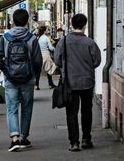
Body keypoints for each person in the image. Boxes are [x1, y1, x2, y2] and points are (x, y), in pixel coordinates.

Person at [0, 9, 42, 152]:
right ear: (27, 21)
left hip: (11, 79)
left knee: (12, 108)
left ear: (13, 21)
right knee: (27, 108)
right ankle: (24, 137)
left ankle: (14, 138)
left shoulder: (6, 37)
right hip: (28, 79)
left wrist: (7, 72)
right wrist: (34, 75)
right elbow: (37, 61)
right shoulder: (32, 38)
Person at [54, 13, 101, 151]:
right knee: (87, 110)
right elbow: (97, 61)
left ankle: (74, 142)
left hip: (70, 83)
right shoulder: (90, 43)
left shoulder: (63, 41)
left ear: (71, 24)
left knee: (71, 112)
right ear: (85, 26)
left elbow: (57, 60)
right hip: (87, 81)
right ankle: (86, 139)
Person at [35, 26, 56, 90]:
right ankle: (50, 84)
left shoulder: (38, 38)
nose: (48, 31)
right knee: (49, 69)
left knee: (38, 71)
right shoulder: (46, 38)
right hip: (45, 55)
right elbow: (50, 48)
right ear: (44, 31)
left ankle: (36, 85)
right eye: (47, 30)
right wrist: (55, 48)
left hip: (38, 55)